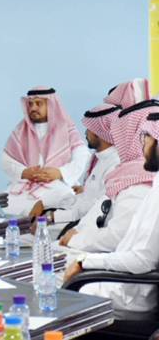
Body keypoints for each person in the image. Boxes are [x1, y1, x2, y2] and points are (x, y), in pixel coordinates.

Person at [64, 111, 159, 312]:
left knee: (49, 286)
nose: (142, 143)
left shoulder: (150, 192)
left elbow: (142, 259)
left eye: (147, 137)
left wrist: (85, 262)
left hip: (129, 294)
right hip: (124, 281)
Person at [59, 100, 159, 252]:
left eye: (121, 135)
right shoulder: (125, 174)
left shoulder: (138, 180)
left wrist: (76, 239)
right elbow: (98, 209)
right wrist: (76, 233)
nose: (117, 141)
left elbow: (119, 237)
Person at [28, 104, 120, 225]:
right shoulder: (97, 158)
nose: (86, 133)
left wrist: (53, 217)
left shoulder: (115, 164)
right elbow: (84, 198)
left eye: (89, 129)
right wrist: (44, 203)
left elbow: (96, 207)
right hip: (78, 217)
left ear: (98, 133)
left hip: (92, 226)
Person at [3, 87, 89, 216]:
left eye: (39, 104)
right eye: (30, 104)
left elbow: (82, 157)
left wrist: (60, 172)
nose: (33, 108)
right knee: (6, 205)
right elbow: (7, 160)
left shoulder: (67, 129)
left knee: (62, 200)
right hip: (26, 185)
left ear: (51, 105)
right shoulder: (21, 130)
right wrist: (23, 172)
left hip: (57, 184)